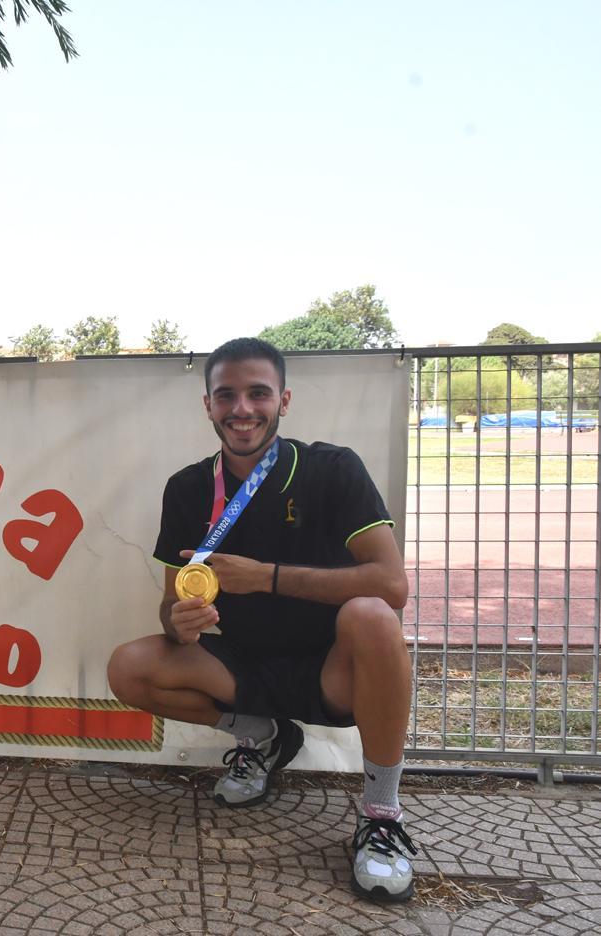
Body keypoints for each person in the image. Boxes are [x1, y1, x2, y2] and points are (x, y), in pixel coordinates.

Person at [106, 337, 417, 903]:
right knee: (129, 668)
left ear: (284, 399)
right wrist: (180, 622)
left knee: (372, 616)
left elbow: (392, 584)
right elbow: (172, 605)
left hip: (331, 670)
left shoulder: (331, 468)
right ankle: (264, 738)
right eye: (226, 395)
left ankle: (381, 814)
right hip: (246, 667)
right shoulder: (188, 487)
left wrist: (266, 576)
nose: (242, 408)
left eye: (257, 393)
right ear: (208, 405)